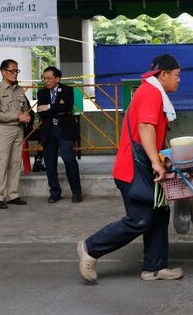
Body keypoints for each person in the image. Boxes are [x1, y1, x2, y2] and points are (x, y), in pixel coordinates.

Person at [77, 54, 183, 283]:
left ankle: (154, 268)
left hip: (144, 167)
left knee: (159, 214)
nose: (178, 80)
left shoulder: (155, 93)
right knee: (140, 219)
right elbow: (145, 127)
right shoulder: (150, 92)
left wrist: (164, 157)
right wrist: (156, 162)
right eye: (176, 75)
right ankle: (90, 248)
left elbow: (156, 133)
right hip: (133, 169)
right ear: (162, 74)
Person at [0, 59, 30, 209]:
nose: (15, 74)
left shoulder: (19, 90)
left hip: (18, 129)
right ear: (3, 72)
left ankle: (12, 194)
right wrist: (17, 116)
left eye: (17, 71)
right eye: (12, 71)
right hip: (4, 130)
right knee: (1, 163)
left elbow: (24, 107)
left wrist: (25, 115)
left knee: (15, 163)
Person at [36, 66, 82, 203]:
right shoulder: (41, 93)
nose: (46, 81)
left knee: (69, 160)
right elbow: (40, 111)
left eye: (49, 78)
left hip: (64, 131)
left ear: (57, 79)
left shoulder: (67, 90)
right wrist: (57, 108)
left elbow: (67, 107)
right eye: (44, 78)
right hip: (48, 131)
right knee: (50, 163)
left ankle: (76, 192)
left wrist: (49, 107)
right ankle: (55, 192)